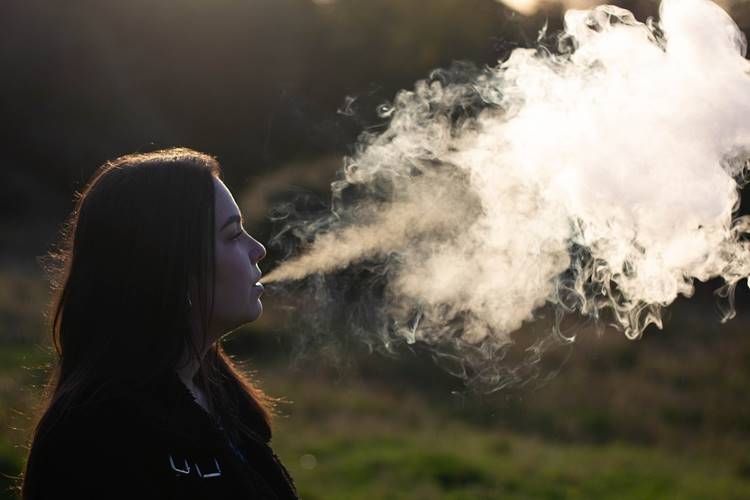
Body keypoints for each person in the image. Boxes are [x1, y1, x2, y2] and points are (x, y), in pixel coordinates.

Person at [19, 148, 298, 499]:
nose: (258, 250)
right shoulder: (92, 439)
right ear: (172, 267)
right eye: (232, 235)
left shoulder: (222, 400)